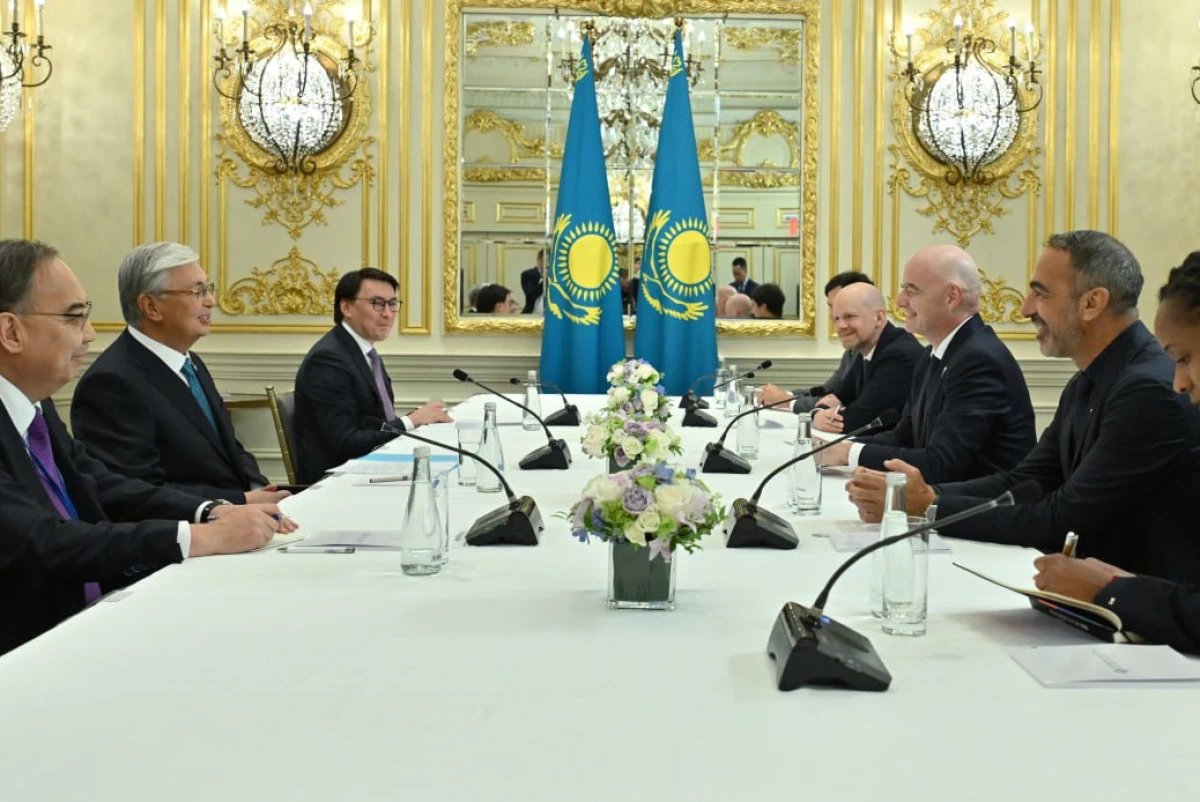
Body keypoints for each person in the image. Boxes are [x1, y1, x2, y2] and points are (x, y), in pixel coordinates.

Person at [848, 232, 1200, 584]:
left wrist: (929, 507)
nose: (1025, 308)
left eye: (1041, 293)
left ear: (1092, 303)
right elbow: (1026, 480)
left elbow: (1063, 517)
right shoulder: (1087, 380)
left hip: (1136, 606)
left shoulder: (1147, 391)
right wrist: (924, 496)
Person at [0, 239, 291, 655]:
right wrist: (196, 537)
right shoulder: (100, 383)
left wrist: (210, 510)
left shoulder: (36, 405)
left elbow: (102, 483)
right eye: (74, 317)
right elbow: (41, 541)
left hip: (95, 613)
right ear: (11, 332)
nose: (90, 334)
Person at [1027, 251, 1200, 655]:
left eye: (1185, 359)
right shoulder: (1084, 383)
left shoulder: (1146, 389)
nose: (1178, 383)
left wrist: (1112, 590)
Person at [72, 243, 288, 504]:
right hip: (195, 524)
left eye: (208, 288)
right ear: (151, 307)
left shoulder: (191, 361)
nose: (211, 301)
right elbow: (136, 491)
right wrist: (240, 501)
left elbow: (230, 448)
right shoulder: (110, 384)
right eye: (197, 291)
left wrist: (261, 489)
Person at [823, 245, 1035, 482]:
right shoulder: (931, 355)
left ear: (951, 297)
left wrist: (848, 454)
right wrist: (838, 447)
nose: (900, 301)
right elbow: (904, 437)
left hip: (979, 502)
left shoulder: (979, 360)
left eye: (911, 291)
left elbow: (941, 463)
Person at [293, 268, 452, 484]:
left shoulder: (364, 352)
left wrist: (418, 418)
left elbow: (374, 423)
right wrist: (411, 421)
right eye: (377, 303)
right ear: (346, 308)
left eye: (392, 304)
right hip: (338, 482)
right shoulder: (328, 360)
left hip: (369, 469)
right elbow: (345, 443)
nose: (387, 313)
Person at [808, 282, 921, 434]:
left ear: (879, 317)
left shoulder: (899, 354)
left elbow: (858, 421)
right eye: (836, 319)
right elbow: (838, 395)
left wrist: (820, 416)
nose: (840, 326)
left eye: (849, 316)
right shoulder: (865, 349)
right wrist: (818, 413)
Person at [760, 271, 874, 414]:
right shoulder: (853, 350)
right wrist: (785, 395)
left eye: (838, 305)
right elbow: (827, 391)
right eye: (831, 306)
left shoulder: (883, 351)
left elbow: (847, 405)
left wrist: (787, 401)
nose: (832, 315)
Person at [520, 249, 545, 314]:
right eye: (545, 260)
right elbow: (530, 294)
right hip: (531, 314)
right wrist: (546, 280)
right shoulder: (527, 274)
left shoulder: (557, 277)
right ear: (538, 259)